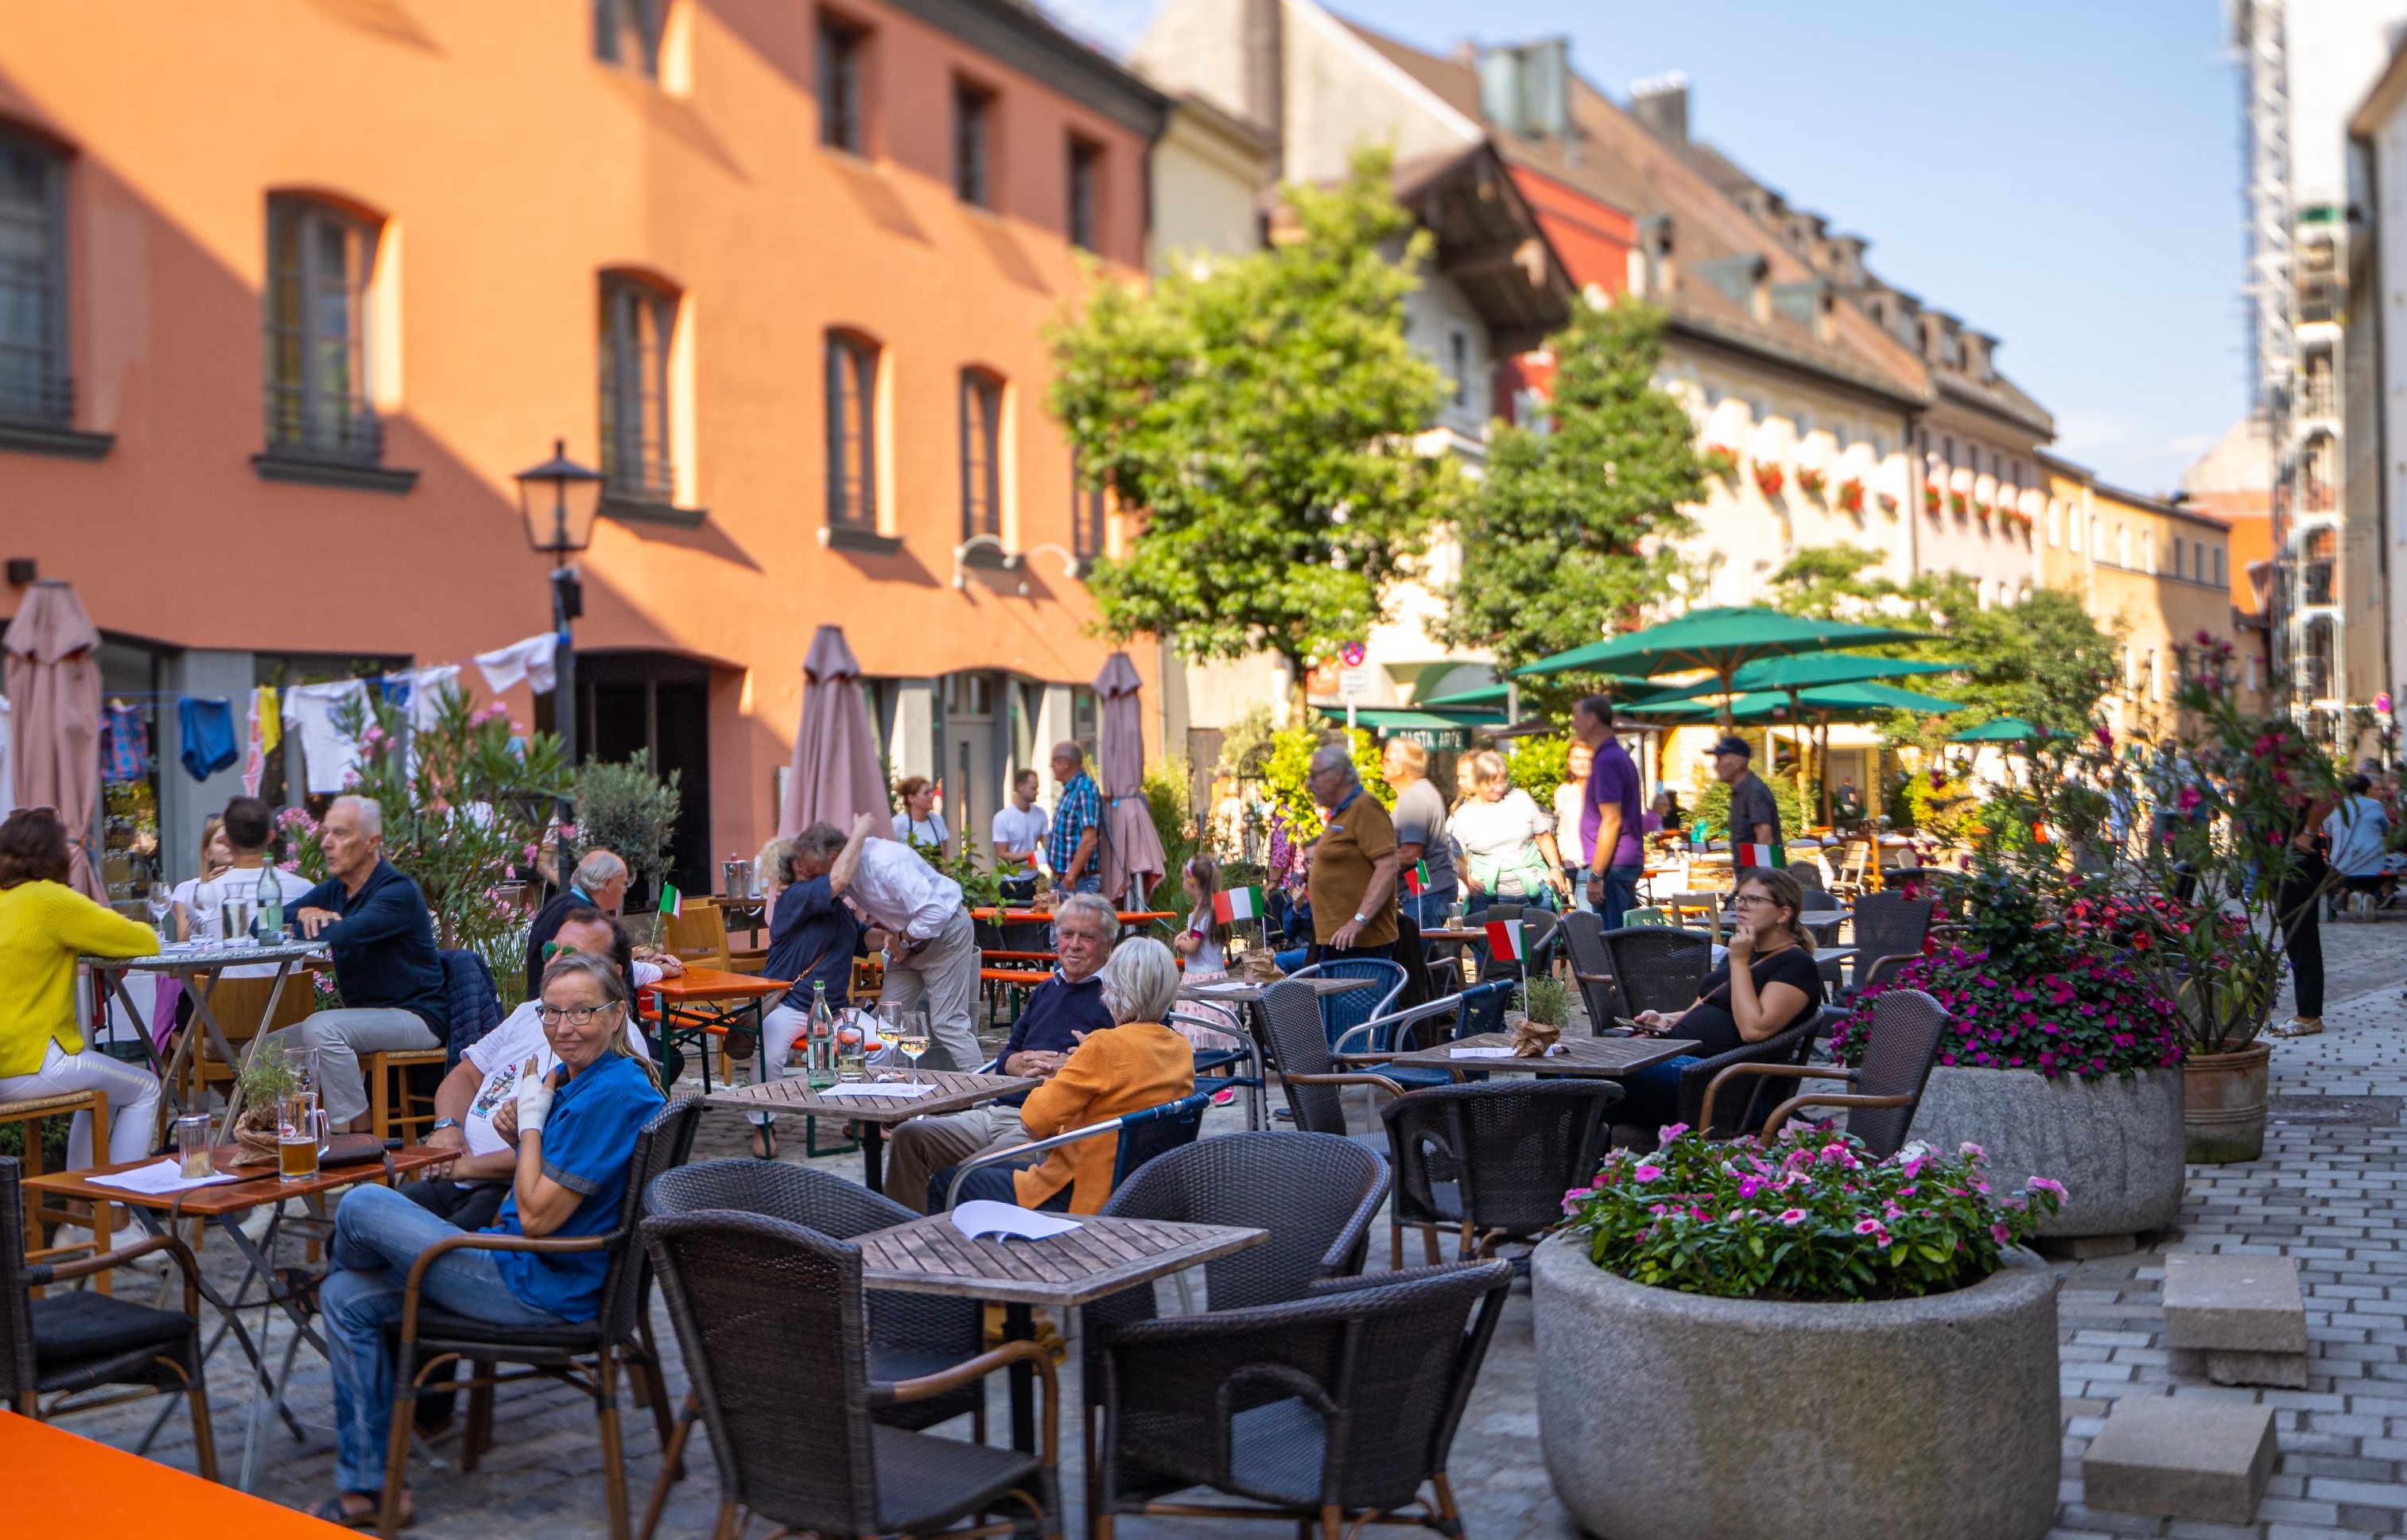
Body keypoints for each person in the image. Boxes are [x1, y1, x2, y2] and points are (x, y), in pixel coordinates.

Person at [314, 952, 665, 1527]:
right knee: (346, 1295)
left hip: (536, 1282)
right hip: (526, 1265)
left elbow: (537, 1217)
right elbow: (544, 1177)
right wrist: (530, 1123)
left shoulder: (614, 1094)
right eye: (552, 1012)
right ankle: (371, 1488)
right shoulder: (592, 1079)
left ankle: (349, 1281)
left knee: (359, 1203)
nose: (564, 1026)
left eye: (582, 1011)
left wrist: (529, 1124)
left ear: (618, 1013)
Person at [883, 894, 1120, 1212]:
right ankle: (905, 1233)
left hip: (1044, 1126)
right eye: (1067, 935)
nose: (1074, 944)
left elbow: (1119, 1070)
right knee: (909, 1137)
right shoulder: (1048, 990)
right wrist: (1016, 1062)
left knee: (961, 1176)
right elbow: (1005, 1058)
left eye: (1087, 937)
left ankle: (945, 1249)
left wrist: (1077, 1064)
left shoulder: (1117, 1000)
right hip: (997, 1112)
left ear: (1107, 945)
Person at [929, 936, 1194, 1213]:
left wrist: (1070, 1067)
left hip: (1081, 1192)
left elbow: (1033, 1121)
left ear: (1114, 990)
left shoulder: (1103, 1046)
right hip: (1143, 1191)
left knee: (948, 1182)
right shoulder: (1180, 1047)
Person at [266, 795, 448, 1133]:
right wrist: (303, 912)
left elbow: (346, 933)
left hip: (415, 1016)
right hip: (364, 1015)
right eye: (326, 834)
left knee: (322, 1027)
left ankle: (358, 1140)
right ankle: (291, 1136)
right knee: (259, 1052)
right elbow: (264, 922)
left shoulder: (397, 892)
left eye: (340, 834)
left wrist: (311, 921)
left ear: (372, 843)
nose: (326, 844)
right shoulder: (337, 890)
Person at [0, 808, 165, 1166]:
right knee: (146, 1089)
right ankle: (116, 1211)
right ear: (54, 853)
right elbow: (145, 942)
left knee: (100, 1091)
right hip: (33, 1064)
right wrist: (103, 929)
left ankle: (80, 1208)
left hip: (7, 1066)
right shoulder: (48, 898)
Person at [1619, 868, 1825, 1137]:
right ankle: (1580, 1171)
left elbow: (1754, 1030)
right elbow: (1707, 1007)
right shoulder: (1740, 955)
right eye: (1739, 898)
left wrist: (1739, 960)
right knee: (1578, 1085)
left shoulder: (1795, 965)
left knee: (1614, 1068)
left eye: (1754, 900)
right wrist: (1666, 1019)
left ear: (1783, 914)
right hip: (1683, 1062)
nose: (1741, 906)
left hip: (1722, 1086)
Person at [743, 828, 868, 1158]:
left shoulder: (838, 907)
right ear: (801, 867)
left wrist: (901, 939)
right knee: (769, 1054)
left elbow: (863, 940)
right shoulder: (795, 897)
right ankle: (763, 1122)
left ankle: (862, 1115)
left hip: (836, 1009)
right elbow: (839, 880)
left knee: (880, 1045)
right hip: (791, 1004)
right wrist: (863, 830)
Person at [823, 813, 982, 1072]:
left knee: (948, 1022)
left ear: (833, 859)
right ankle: (893, 1092)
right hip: (908, 945)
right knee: (888, 1023)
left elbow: (936, 913)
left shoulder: (886, 864)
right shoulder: (847, 872)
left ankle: (988, 1098)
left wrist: (902, 939)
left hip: (946, 933)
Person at [187, 796, 315, 971]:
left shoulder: (202, 894)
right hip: (288, 996)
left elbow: (192, 956)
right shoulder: (305, 889)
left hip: (225, 997)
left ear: (226, 840)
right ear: (271, 836)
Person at [1306, 743, 1402, 958]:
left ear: (1337, 775)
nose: (1309, 783)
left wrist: (1358, 920)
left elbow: (1388, 866)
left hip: (1361, 944)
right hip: (1340, 940)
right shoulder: (1343, 813)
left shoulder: (1365, 807)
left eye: (1314, 775)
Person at [1450, 749, 1567, 911]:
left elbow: (1542, 836)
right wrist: (1468, 879)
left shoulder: (1520, 799)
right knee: (1496, 938)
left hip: (1534, 889)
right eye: (1492, 783)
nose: (1499, 788)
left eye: (1503, 781)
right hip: (1488, 895)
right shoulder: (1463, 815)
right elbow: (1456, 857)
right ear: (1478, 781)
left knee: (1542, 936)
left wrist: (1555, 868)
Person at [523, 848, 629, 1002]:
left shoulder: (560, 902)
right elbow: (601, 970)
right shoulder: (584, 918)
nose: (625, 891)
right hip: (562, 1008)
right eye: (624, 883)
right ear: (607, 883)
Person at [1574, 696, 1645, 925]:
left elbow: (1612, 820)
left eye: (1576, 718)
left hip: (1613, 866)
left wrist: (1596, 875)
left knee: (1611, 943)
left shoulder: (1607, 760)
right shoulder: (1618, 756)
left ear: (1592, 719)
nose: (1573, 724)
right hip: (1620, 862)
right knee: (1620, 940)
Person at [1384, 738, 1459, 929]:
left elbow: (1411, 853)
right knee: (1426, 953)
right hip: (1427, 891)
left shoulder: (1413, 799)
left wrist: (1373, 863)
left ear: (1400, 767)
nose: (1381, 764)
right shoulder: (1423, 791)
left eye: (1386, 760)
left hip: (1425, 893)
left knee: (1418, 955)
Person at [2324, 774, 2393, 915]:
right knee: (2378, 871)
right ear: (2367, 789)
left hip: (2341, 860)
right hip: (2372, 859)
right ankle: (2368, 895)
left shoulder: (2335, 807)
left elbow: (2327, 831)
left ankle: (2348, 892)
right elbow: (2386, 830)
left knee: (2349, 870)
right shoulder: (2376, 805)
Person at [1048, 740, 1104, 894]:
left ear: (1065, 763)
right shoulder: (1071, 789)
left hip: (1079, 882)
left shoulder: (1084, 789)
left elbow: (1089, 839)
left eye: (1054, 760)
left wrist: (1070, 877)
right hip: (1067, 880)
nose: (1050, 766)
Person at [1713, 735, 1782, 850]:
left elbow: (1766, 840)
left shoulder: (1753, 792)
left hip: (1759, 868)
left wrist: (1754, 867)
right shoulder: (1743, 791)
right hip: (1752, 868)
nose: (1715, 766)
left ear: (1737, 761)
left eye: (1720, 759)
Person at [991, 768, 1050, 902]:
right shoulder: (1003, 818)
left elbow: (1047, 847)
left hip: (1034, 879)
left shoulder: (1041, 813)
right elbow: (1002, 856)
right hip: (1010, 882)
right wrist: (1034, 853)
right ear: (1020, 787)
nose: (1037, 792)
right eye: (1033, 788)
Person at [171, 814, 233, 940]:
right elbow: (183, 940)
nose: (228, 845)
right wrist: (204, 889)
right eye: (221, 841)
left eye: (233, 840)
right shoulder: (186, 889)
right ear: (208, 853)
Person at [1554, 741, 1594, 914]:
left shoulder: (1603, 788)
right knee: (1585, 916)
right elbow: (1562, 827)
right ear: (1569, 760)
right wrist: (1563, 856)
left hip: (1598, 862)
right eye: (1577, 757)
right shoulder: (1563, 791)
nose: (1582, 762)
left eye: (1587, 758)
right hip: (1574, 864)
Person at [892, 775, 951, 850]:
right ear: (911, 798)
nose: (932, 796)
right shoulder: (897, 824)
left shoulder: (937, 820)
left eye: (931, 792)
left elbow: (945, 856)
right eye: (926, 793)